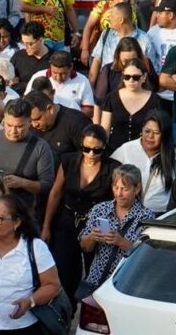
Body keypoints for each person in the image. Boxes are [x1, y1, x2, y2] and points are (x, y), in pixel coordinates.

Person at [42, 124, 120, 303]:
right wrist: (46, 226)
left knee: (96, 270)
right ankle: (66, 311)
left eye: (96, 150)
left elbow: (117, 200)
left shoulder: (112, 167)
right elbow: (55, 193)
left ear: (104, 147)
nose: (91, 154)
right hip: (68, 219)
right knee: (63, 268)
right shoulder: (69, 161)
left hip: (96, 224)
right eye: (86, 149)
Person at [0, 195, 61, 334]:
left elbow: (52, 285)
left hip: (21, 327)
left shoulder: (35, 247)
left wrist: (30, 301)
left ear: (17, 222)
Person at [78, 164, 156, 298]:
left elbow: (146, 255)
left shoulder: (146, 216)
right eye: (116, 187)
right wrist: (92, 237)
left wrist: (121, 242)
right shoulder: (100, 209)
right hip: (97, 281)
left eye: (125, 189)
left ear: (136, 189)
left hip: (126, 284)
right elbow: (85, 247)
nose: (119, 194)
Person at [0, 99, 55, 223]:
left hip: (20, 214)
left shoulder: (40, 147)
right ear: (4, 119)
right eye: (9, 125)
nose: (13, 131)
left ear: (30, 122)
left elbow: (46, 185)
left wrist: (23, 183)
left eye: (19, 127)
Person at [111, 109, 176, 214]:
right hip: (131, 214)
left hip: (162, 215)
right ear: (141, 130)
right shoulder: (127, 149)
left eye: (156, 133)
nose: (150, 136)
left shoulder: (175, 155)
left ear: (165, 135)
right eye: (147, 131)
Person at [87, 2, 160, 87]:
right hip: (108, 89)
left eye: (112, 16)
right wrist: (90, 86)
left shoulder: (145, 40)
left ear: (121, 20)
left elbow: (150, 70)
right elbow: (97, 60)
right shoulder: (106, 34)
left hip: (133, 89)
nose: (109, 18)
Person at [99, 58, 160, 152]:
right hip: (115, 152)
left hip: (143, 152)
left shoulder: (156, 100)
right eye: (127, 77)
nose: (131, 80)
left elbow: (158, 131)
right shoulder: (111, 98)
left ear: (144, 77)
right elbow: (105, 130)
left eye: (136, 77)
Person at [148, 0, 176, 113]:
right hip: (158, 94)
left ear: (170, 15)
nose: (156, 16)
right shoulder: (153, 32)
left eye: (159, 12)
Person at [80, 0, 139, 67]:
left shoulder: (131, 10)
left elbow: (135, 31)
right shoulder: (103, 5)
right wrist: (85, 50)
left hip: (123, 49)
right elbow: (88, 27)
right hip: (102, 48)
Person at [25, 51, 96, 118]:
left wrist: (67, 115)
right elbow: (26, 101)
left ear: (71, 67)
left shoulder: (83, 81)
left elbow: (89, 110)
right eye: (55, 73)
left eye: (63, 74)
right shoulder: (38, 76)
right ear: (50, 66)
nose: (58, 78)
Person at [23, 91, 91, 159]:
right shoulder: (27, 125)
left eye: (37, 119)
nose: (34, 125)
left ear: (50, 109)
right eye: (30, 121)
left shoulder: (78, 123)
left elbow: (89, 157)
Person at [93, 37, 155, 104]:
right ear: (118, 56)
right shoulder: (109, 70)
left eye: (133, 60)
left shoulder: (146, 65)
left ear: (139, 56)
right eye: (125, 61)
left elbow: (155, 88)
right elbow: (99, 101)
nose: (129, 65)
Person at [10, 22, 52, 95]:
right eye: (23, 43)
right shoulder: (18, 56)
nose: (26, 47)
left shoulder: (53, 59)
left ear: (41, 40)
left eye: (30, 44)